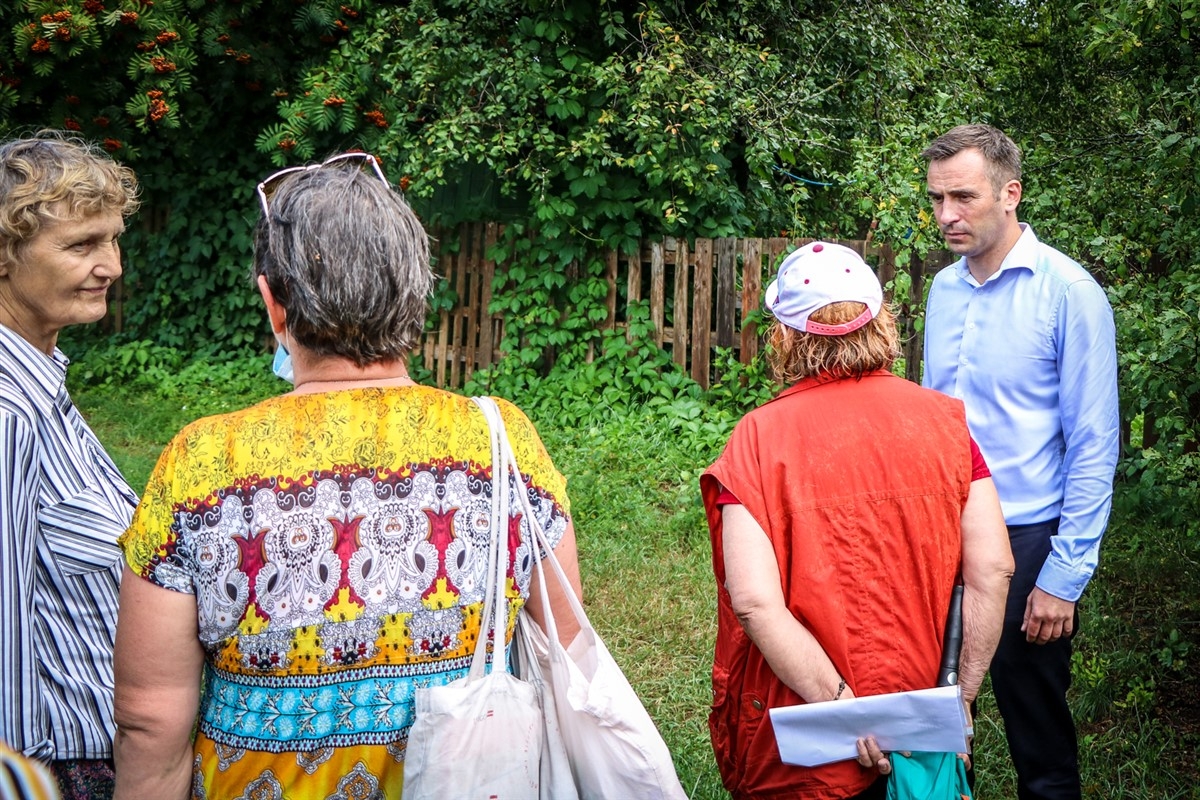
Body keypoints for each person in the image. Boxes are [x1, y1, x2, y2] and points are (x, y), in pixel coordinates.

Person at [111, 153, 584, 799]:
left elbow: (150, 719)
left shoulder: (201, 464)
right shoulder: (503, 442)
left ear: (273, 302)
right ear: (418, 291)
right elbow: (567, 642)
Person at [701, 241, 1014, 800]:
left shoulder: (756, 437)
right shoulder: (945, 423)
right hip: (922, 727)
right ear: (881, 322)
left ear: (785, 336)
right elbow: (993, 568)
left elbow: (753, 600)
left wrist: (846, 712)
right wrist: (957, 702)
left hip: (807, 743)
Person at [921, 124, 1121, 800]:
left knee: (1036, 730)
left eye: (963, 197)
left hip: (1028, 535)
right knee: (938, 708)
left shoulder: (1068, 293)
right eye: (937, 199)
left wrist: (1063, 576)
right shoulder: (943, 292)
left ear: (1011, 193)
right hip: (942, 531)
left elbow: (1094, 442)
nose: (946, 215)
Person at [0, 133, 142, 799]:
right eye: (82, 245)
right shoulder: (8, 417)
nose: (110, 264)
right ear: (4, 256)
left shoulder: (44, 389)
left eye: (112, 239)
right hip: (51, 775)